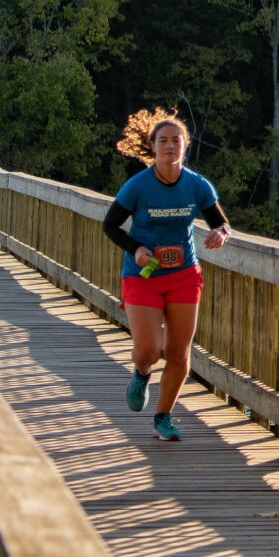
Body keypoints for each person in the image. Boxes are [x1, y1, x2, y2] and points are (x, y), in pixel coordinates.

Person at [100, 109, 230, 442]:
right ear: (154, 147)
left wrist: (221, 234)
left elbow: (220, 222)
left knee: (178, 352)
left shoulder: (196, 185)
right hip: (143, 275)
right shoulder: (138, 186)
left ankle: (163, 417)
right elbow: (110, 225)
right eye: (164, 141)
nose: (170, 146)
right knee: (148, 349)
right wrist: (136, 248)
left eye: (176, 140)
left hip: (185, 275)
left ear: (185, 146)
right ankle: (142, 373)